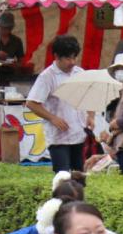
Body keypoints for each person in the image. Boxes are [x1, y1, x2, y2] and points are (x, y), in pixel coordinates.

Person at [25, 35, 92, 174]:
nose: (72, 62)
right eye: (68, 58)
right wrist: (52, 118)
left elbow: (89, 97)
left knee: (79, 174)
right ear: (57, 57)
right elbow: (31, 103)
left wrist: (91, 115)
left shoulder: (80, 73)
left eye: (74, 57)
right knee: (62, 175)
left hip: (78, 132)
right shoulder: (47, 76)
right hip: (58, 136)